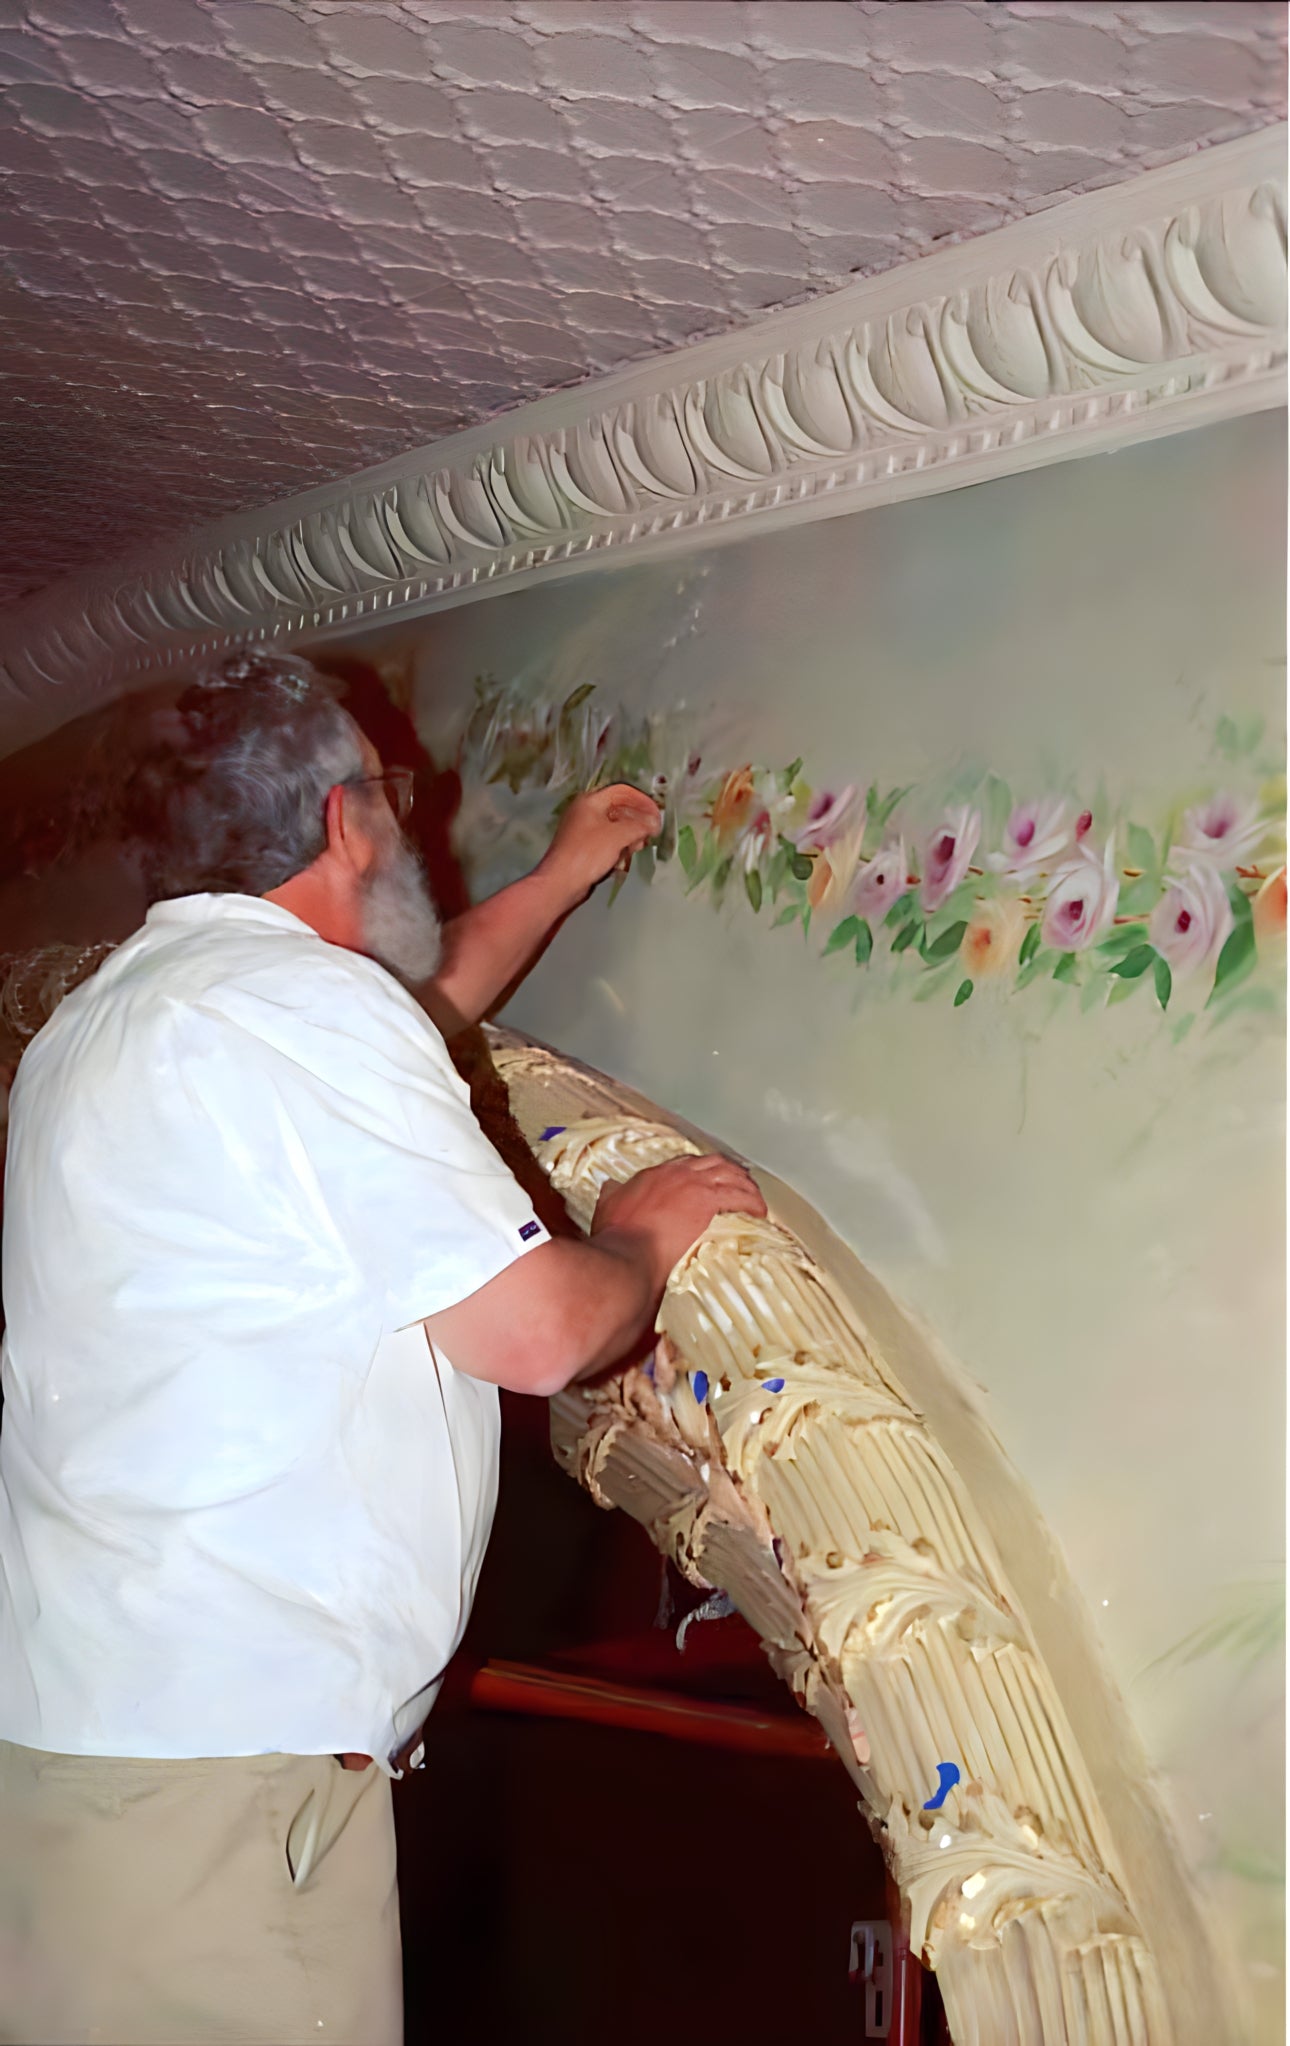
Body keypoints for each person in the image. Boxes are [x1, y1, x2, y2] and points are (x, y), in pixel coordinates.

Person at [0, 649, 765, 2046]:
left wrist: (562, 871)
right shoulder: (301, 1013)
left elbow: (425, 1001)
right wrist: (640, 1238)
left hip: (98, 1771)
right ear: (346, 820)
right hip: (223, 1796)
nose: (405, 819)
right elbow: (539, 1336)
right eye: (389, 791)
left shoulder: (110, 1016)